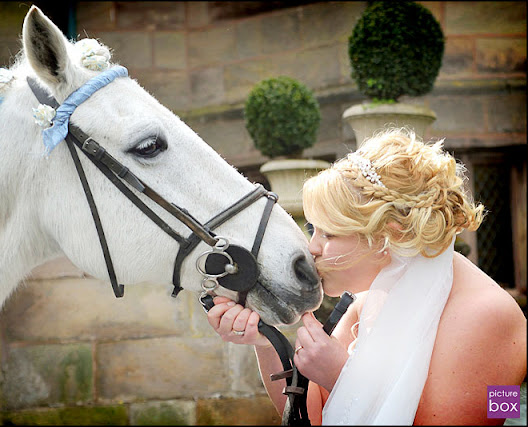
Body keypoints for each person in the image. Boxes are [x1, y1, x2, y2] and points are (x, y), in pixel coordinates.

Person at [206, 128, 527, 425]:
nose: (312, 248)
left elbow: (497, 414)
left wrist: (341, 376)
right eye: (311, 229)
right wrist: (265, 339)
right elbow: (314, 417)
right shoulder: (366, 301)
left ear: (388, 236)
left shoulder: (490, 315)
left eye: (328, 234)